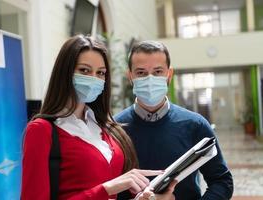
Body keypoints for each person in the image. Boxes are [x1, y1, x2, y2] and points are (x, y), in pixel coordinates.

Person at [21, 35, 176, 200]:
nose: (93, 78)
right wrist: (107, 188)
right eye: (84, 70)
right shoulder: (42, 130)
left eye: (101, 73)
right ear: (65, 72)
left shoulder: (108, 129)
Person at [115, 40, 234, 200]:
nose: (150, 79)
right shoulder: (115, 129)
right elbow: (105, 187)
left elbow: (221, 181)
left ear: (169, 75)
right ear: (130, 76)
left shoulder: (195, 125)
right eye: (141, 73)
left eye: (158, 72)